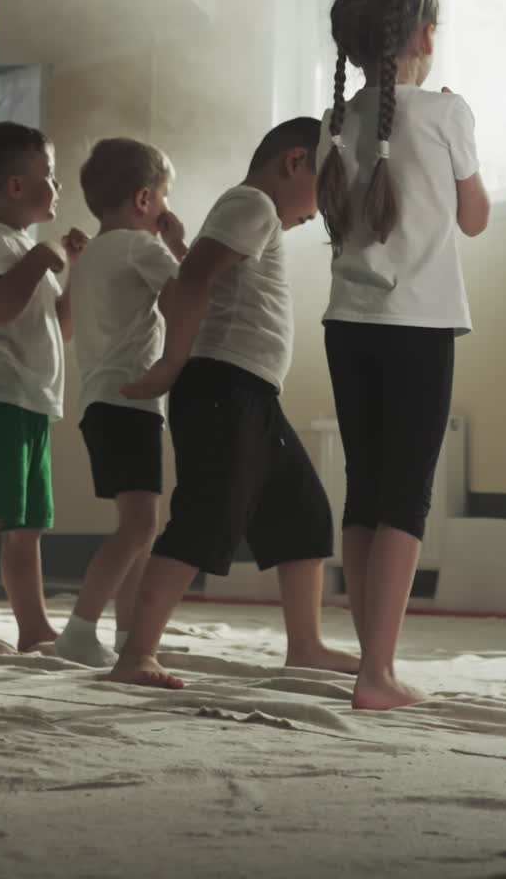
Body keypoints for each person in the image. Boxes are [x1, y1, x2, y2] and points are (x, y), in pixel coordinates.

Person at [111, 117, 361, 689]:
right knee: (205, 516)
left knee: (304, 513)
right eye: (324, 190)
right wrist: (172, 362)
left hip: (253, 392)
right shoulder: (254, 204)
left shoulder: (251, 212)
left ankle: (306, 645)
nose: (320, 211)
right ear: (294, 162)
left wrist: (179, 246)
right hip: (221, 386)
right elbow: (196, 277)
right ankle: (136, 654)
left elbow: (207, 275)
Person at [316, 0, 490, 711]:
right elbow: (475, 219)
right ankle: (377, 675)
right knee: (406, 500)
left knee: (364, 493)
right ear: (425, 36)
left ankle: (372, 663)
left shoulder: (335, 123)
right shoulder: (446, 113)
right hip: (418, 327)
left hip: (347, 328)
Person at [0, 121, 87, 653]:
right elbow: (0, 308)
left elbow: (62, 328)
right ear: (15, 186)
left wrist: (71, 271)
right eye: (49, 174)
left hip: (30, 404)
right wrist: (38, 258)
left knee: (27, 527)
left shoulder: (27, 250)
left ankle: (34, 627)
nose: (58, 185)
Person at [54, 138, 187, 668]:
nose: (166, 208)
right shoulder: (139, 247)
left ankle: (132, 635)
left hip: (98, 403)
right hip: (130, 400)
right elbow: (188, 298)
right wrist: (178, 246)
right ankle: (80, 627)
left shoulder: (91, 255)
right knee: (139, 527)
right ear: (144, 199)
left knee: (139, 528)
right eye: (164, 197)